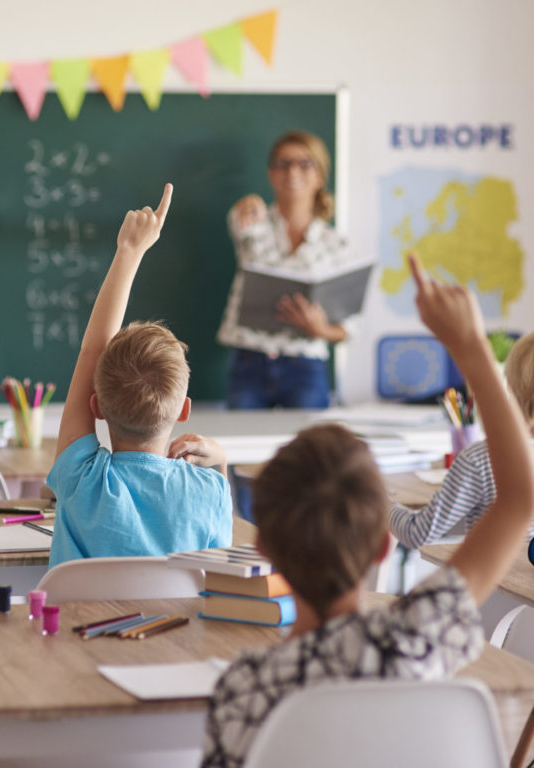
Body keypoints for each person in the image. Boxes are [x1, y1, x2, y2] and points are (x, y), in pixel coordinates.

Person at [202, 254, 534, 768]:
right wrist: (469, 346)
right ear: (382, 543)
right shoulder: (417, 638)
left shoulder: (243, 689)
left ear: (263, 548)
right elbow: (519, 497)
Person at [47, 183, 232, 569]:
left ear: (96, 406)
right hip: (177, 614)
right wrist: (221, 463)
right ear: (183, 409)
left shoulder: (82, 481)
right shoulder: (210, 491)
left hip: (79, 613)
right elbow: (217, 575)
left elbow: (91, 351)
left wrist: (128, 251)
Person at [217, 130, 357, 410]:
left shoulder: (336, 244)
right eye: (284, 164)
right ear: (271, 174)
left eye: (305, 164)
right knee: (241, 437)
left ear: (320, 176)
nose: (293, 171)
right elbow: (237, 220)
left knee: (309, 439)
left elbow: (348, 328)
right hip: (249, 360)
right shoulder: (252, 221)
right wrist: (247, 204)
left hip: (306, 366)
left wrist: (320, 329)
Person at [390, 330, 534, 548]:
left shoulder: (481, 459)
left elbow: (417, 533)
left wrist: (377, 500)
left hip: (491, 570)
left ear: (509, 389)